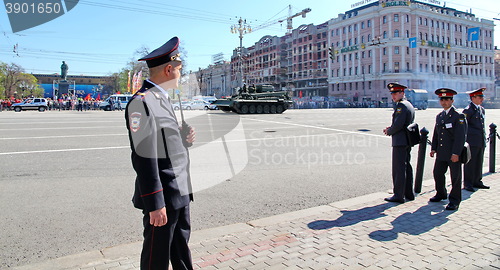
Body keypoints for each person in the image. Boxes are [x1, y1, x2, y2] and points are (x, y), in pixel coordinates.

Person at [125, 36, 195, 270]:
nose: (180, 75)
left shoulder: (162, 99)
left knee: (181, 251)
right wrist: (155, 203)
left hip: (179, 190)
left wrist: (183, 141)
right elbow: (144, 157)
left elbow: (163, 143)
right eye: (179, 69)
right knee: (156, 258)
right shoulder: (142, 102)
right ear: (168, 69)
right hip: (163, 196)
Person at [429, 88, 466, 211]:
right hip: (441, 152)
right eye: (442, 99)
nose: (444, 102)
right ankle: (441, 193)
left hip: (453, 153)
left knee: (455, 177)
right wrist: (433, 148)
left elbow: (460, 137)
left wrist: (456, 153)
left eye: (447, 99)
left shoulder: (458, 116)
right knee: (437, 173)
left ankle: (454, 201)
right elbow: (437, 133)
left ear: (452, 101)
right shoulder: (440, 116)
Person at [383, 83, 415, 203]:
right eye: (392, 93)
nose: (393, 95)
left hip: (400, 141)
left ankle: (398, 195)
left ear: (402, 93)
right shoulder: (409, 104)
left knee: (399, 169)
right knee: (407, 167)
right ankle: (409, 193)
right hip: (407, 140)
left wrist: (389, 130)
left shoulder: (401, 106)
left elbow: (398, 124)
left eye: (396, 93)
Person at [462, 87, 489, 191]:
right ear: (473, 98)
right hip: (471, 141)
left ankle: (477, 181)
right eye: (480, 96)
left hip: (480, 140)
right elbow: (464, 126)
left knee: (479, 162)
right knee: (470, 163)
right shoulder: (468, 110)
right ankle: (468, 183)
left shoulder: (481, 109)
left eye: (482, 96)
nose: (482, 99)